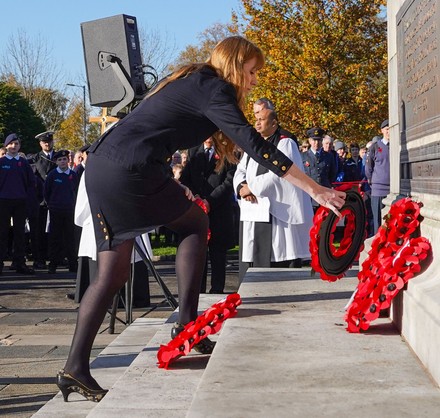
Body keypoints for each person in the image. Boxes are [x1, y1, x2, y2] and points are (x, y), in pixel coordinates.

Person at [57, 36, 345, 403]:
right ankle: (187, 326)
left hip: (106, 166)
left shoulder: (194, 80)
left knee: (114, 272)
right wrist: (315, 190)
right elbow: (256, 147)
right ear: (235, 63)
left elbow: (151, 130)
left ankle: (74, 368)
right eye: (252, 71)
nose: (254, 81)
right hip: (128, 170)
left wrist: (170, 185)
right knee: (194, 225)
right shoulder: (214, 88)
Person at [234, 109, 313, 279]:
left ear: (274, 123)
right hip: (254, 210)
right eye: (256, 120)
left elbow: (282, 174)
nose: (257, 123)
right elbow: (240, 170)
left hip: (277, 212)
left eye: (262, 120)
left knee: (278, 256)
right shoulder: (253, 144)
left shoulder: (285, 143)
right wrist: (241, 186)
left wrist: (252, 188)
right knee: (252, 255)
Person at [180, 137, 237, 294]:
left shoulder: (227, 151)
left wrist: (210, 201)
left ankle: (217, 291)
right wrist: (195, 197)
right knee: (199, 254)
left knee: (218, 256)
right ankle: (199, 292)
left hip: (218, 211)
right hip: (198, 211)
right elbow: (186, 178)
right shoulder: (194, 151)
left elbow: (229, 181)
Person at [0, 134, 36, 275]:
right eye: (11, 144)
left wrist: (27, 198)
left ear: (19, 146)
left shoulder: (23, 162)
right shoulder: (1, 162)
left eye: (16, 144)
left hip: (20, 201)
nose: (14, 146)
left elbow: (30, 182)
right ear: (6, 146)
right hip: (3, 201)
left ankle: (19, 263)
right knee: (2, 233)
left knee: (20, 233)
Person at [44, 150, 79, 274]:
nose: (62, 162)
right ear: (56, 162)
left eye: (64, 159)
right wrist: (52, 204)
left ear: (68, 160)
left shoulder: (73, 175)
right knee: (55, 237)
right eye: (60, 160)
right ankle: (52, 264)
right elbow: (46, 192)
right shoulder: (52, 175)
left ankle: (72, 264)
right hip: (56, 210)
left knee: (70, 238)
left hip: (69, 210)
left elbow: (76, 191)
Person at [28, 131, 57, 269]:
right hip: (40, 201)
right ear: (40, 144)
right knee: (38, 232)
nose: (47, 143)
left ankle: (53, 257)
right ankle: (38, 258)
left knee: (54, 232)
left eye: (49, 141)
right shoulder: (35, 159)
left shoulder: (59, 158)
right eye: (45, 142)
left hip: (54, 201)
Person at [301, 127, 337, 211]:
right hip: (309, 196)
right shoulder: (303, 156)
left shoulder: (328, 156)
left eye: (319, 140)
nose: (316, 143)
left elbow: (332, 174)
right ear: (310, 141)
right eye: (314, 140)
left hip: (325, 196)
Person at [366, 119, 390, 233]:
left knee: (389, 223)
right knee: (378, 223)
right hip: (378, 191)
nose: (389, 131)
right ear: (382, 131)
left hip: (391, 191)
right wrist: (373, 182)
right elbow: (368, 168)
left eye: (391, 129)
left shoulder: (396, 146)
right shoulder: (375, 147)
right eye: (387, 129)